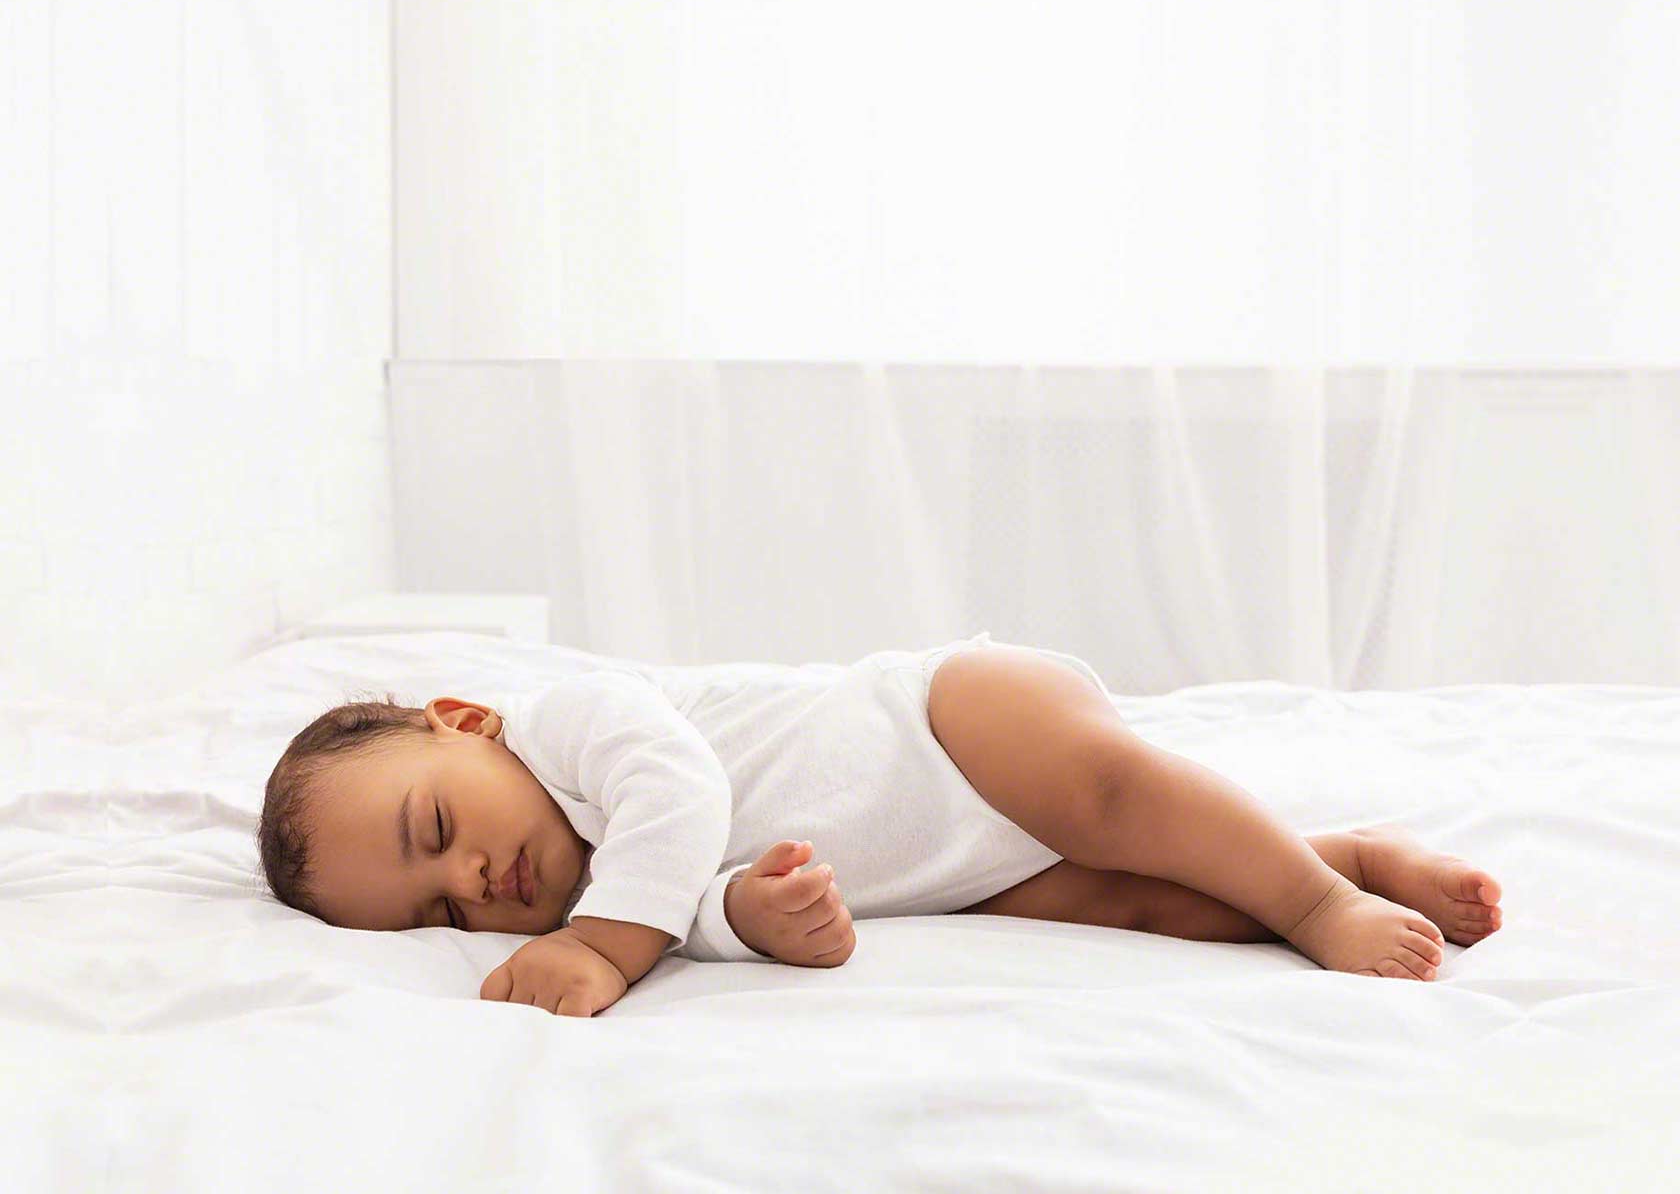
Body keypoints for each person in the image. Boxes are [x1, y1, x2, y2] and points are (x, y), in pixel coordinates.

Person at [256, 632, 1503, 1017]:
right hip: (957, 866)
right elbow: (701, 899)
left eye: (435, 826)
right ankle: (1350, 854)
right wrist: (764, 917)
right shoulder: (624, 894)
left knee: (1117, 799)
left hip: (957, 720)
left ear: (463, 720)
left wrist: (595, 951)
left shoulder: (576, 721)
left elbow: (677, 797)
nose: (474, 877)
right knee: (1136, 899)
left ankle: (1317, 898)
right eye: (440, 910)